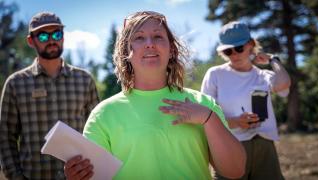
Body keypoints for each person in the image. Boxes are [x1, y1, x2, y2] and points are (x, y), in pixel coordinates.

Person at [63, 11, 246, 180]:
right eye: (139, 37)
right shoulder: (103, 114)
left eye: (158, 36)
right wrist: (78, 175)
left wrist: (209, 119)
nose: (150, 43)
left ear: (172, 50)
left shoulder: (203, 103)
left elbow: (235, 171)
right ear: (126, 52)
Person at [0, 12, 100, 179]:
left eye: (57, 34)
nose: (52, 40)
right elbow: (5, 137)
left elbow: (98, 133)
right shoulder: (15, 84)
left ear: (63, 37)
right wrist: (16, 177)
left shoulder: (85, 80)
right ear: (31, 41)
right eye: (43, 36)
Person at [201, 21, 291, 180]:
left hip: (264, 148)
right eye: (228, 51)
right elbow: (205, 115)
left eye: (239, 48)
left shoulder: (262, 76)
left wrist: (273, 60)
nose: (234, 54)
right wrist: (236, 122)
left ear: (251, 45)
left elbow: (283, 83)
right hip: (228, 146)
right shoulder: (215, 74)